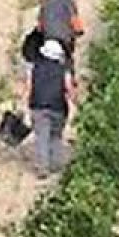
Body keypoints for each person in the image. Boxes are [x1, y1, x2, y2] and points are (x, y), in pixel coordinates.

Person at [22, 39, 77, 178]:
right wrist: (76, 103)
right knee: (56, 136)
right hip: (58, 107)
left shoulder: (34, 68)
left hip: (38, 106)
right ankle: (56, 164)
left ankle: (42, 168)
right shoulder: (64, 70)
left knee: (41, 137)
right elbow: (69, 89)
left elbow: (29, 88)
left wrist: (25, 104)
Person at [37, 0, 84, 67]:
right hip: (64, 42)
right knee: (68, 66)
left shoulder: (45, 3)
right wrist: (79, 32)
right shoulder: (69, 2)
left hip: (48, 40)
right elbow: (75, 23)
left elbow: (40, 27)